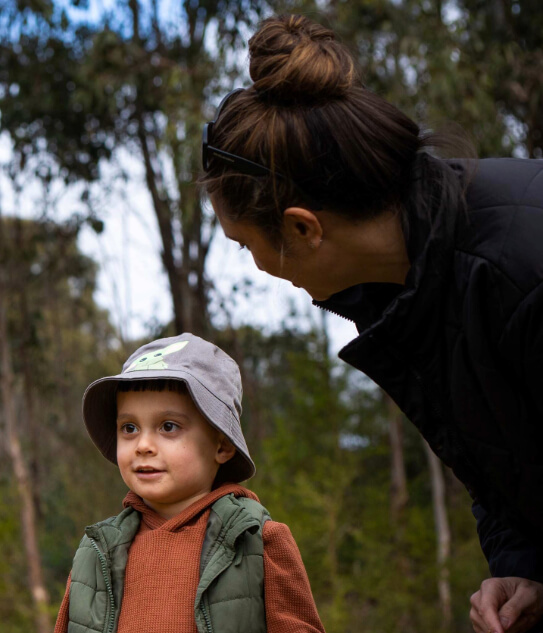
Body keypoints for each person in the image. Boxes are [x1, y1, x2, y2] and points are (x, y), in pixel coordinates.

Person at [200, 13, 543, 633]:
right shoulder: (407, 299)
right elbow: (503, 475)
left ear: (303, 228)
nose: (255, 269)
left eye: (247, 245)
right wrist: (521, 566)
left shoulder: (521, 267)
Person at [52, 333, 324, 633]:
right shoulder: (96, 553)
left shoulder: (256, 541)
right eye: (129, 428)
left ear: (221, 445)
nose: (143, 445)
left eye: (168, 427)